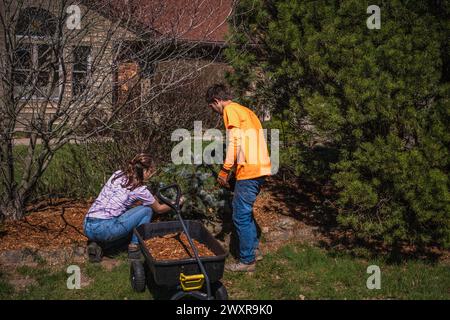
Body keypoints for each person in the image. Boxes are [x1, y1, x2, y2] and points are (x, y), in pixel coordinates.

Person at [205, 84, 272, 272]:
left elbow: (234, 141)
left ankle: (246, 261)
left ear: (217, 101)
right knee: (246, 212)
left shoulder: (230, 110)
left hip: (250, 170)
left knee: (240, 215)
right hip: (260, 167)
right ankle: (252, 251)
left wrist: (225, 170)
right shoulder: (246, 110)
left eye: (212, 106)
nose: (214, 111)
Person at [83, 153, 173, 262]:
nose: (151, 175)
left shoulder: (118, 174)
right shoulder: (141, 190)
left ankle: (99, 245)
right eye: (150, 172)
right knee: (147, 211)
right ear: (144, 171)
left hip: (87, 225)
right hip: (104, 228)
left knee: (128, 217)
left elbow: (120, 202)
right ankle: (134, 248)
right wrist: (178, 202)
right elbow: (159, 209)